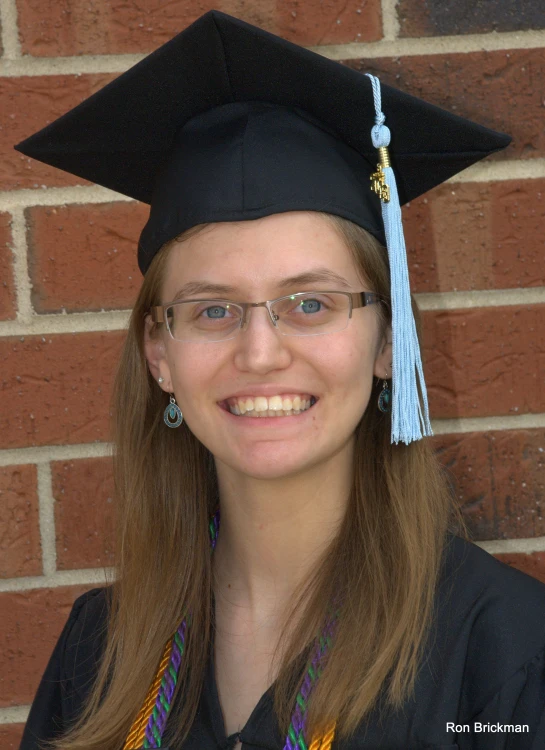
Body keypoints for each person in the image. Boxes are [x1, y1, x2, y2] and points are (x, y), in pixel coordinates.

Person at [15, 10, 545, 750]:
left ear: (388, 341)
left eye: (309, 304)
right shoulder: (98, 651)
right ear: (159, 354)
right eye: (211, 310)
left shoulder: (504, 656)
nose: (260, 353)